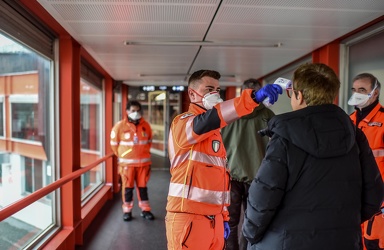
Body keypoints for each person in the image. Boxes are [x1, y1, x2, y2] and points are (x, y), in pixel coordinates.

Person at [242, 63, 383, 250]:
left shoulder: (284, 137)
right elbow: (374, 195)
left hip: (286, 241)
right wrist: (344, 223)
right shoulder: (355, 134)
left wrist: (250, 234)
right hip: (343, 240)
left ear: (299, 96)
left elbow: (264, 195)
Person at [165, 69, 283, 250]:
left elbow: (219, 178)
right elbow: (209, 120)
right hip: (189, 217)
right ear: (191, 93)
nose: (215, 94)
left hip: (214, 219)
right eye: (209, 89)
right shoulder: (183, 123)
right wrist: (253, 99)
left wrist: (223, 216)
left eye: (217, 90)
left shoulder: (215, 132)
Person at [221, 78, 275, 250]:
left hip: (231, 177)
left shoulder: (229, 114)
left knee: (231, 221)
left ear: (242, 93)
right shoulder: (268, 116)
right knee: (252, 222)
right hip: (259, 178)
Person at [348, 73, 384, 249]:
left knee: (373, 243)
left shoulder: (383, 120)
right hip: (354, 199)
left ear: (375, 93)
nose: (356, 94)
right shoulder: (348, 121)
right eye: (354, 89)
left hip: (379, 202)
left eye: (362, 90)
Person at [110, 100, 154, 221]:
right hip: (127, 165)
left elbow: (149, 142)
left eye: (138, 110)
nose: (136, 113)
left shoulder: (146, 125)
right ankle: (127, 211)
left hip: (143, 164)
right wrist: (124, 155)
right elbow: (114, 145)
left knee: (143, 188)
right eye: (133, 110)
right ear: (127, 111)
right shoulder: (120, 126)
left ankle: (145, 210)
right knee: (127, 188)